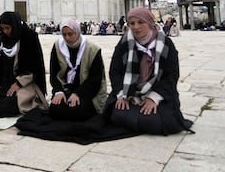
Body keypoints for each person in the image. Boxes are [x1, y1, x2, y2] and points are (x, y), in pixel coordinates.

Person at [105, 7, 193, 135]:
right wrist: (121, 94)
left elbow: (171, 75)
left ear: (150, 23)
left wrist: (154, 98)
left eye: (141, 22)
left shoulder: (165, 44)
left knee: (155, 121)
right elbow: (115, 71)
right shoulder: (124, 43)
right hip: (129, 93)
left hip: (157, 93)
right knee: (116, 114)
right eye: (132, 23)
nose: (136, 27)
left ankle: (136, 119)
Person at [0, 11, 47, 117]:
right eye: (2, 28)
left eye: (8, 28)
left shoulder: (29, 36)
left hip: (24, 83)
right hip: (5, 82)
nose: (5, 31)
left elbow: (35, 66)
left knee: (6, 107)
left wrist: (18, 83)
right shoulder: (3, 38)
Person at [48, 18, 107, 121]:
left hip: (86, 91)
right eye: (64, 34)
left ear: (78, 32)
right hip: (65, 89)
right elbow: (54, 74)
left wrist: (78, 94)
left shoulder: (92, 49)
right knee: (55, 110)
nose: (67, 38)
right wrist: (58, 91)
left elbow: (95, 79)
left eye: (70, 34)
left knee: (77, 111)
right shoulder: (58, 47)